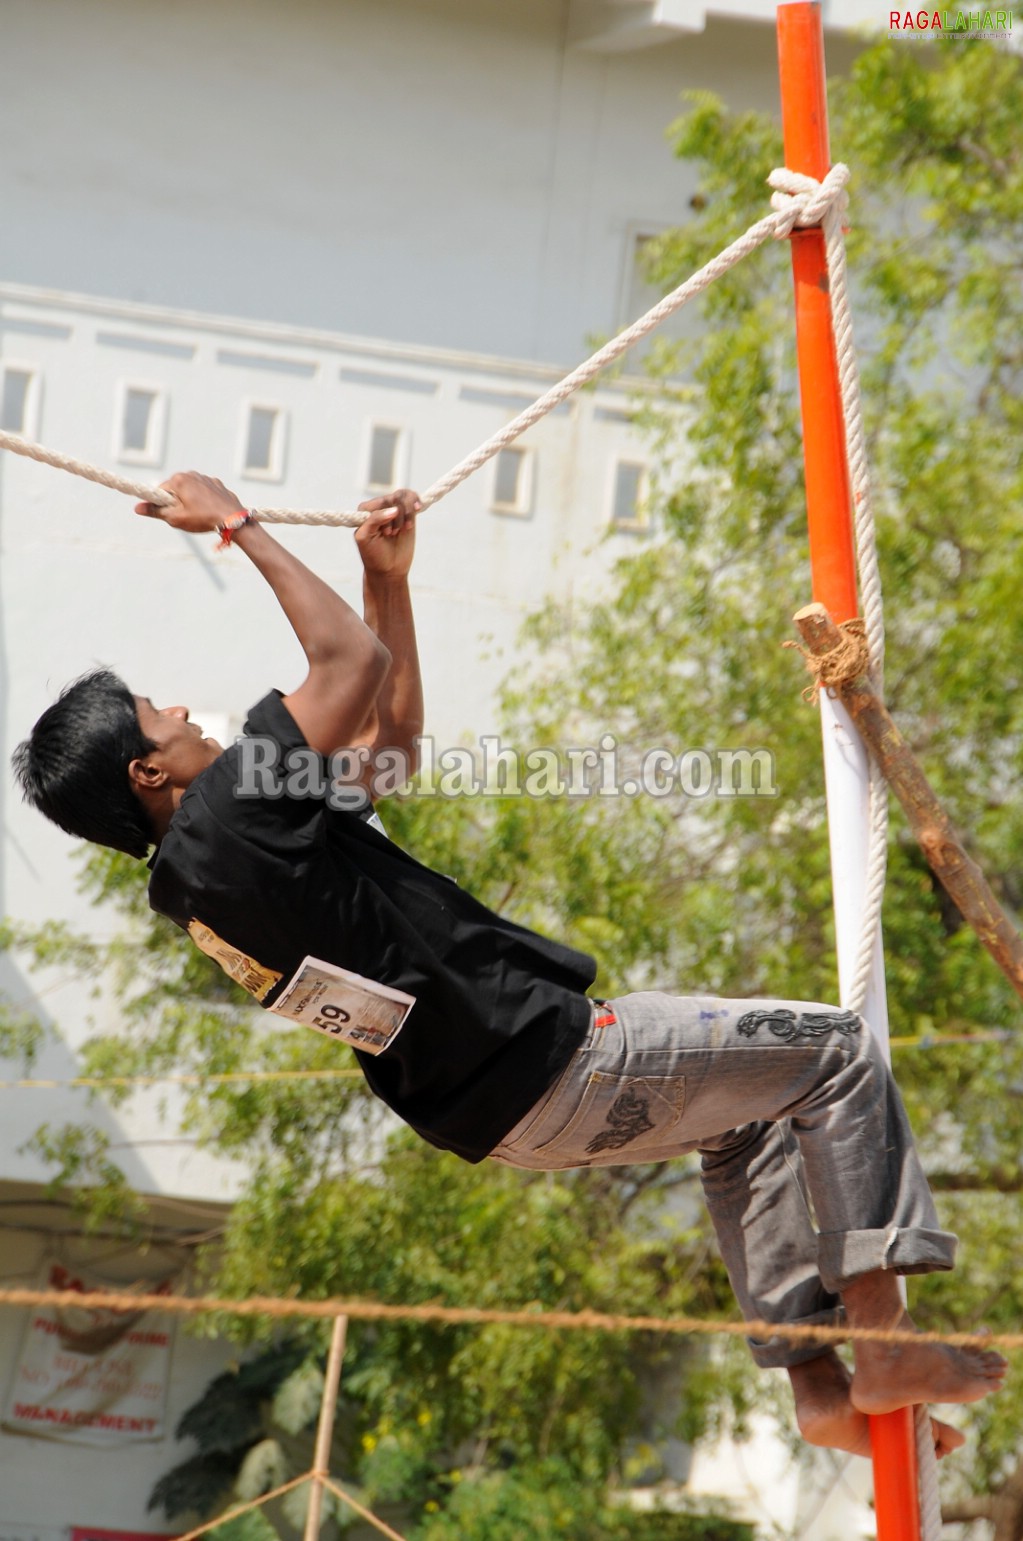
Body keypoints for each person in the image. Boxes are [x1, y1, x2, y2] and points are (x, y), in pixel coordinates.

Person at [14, 471, 1006, 1461]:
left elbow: (389, 750)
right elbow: (345, 662)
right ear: (147, 773)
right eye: (157, 712)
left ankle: (821, 1386)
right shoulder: (231, 811)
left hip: (502, 1115)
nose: (183, 707)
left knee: (753, 1116)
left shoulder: (203, 879)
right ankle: (884, 1344)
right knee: (834, 1052)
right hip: (553, 1059)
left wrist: (386, 583)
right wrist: (238, 523)